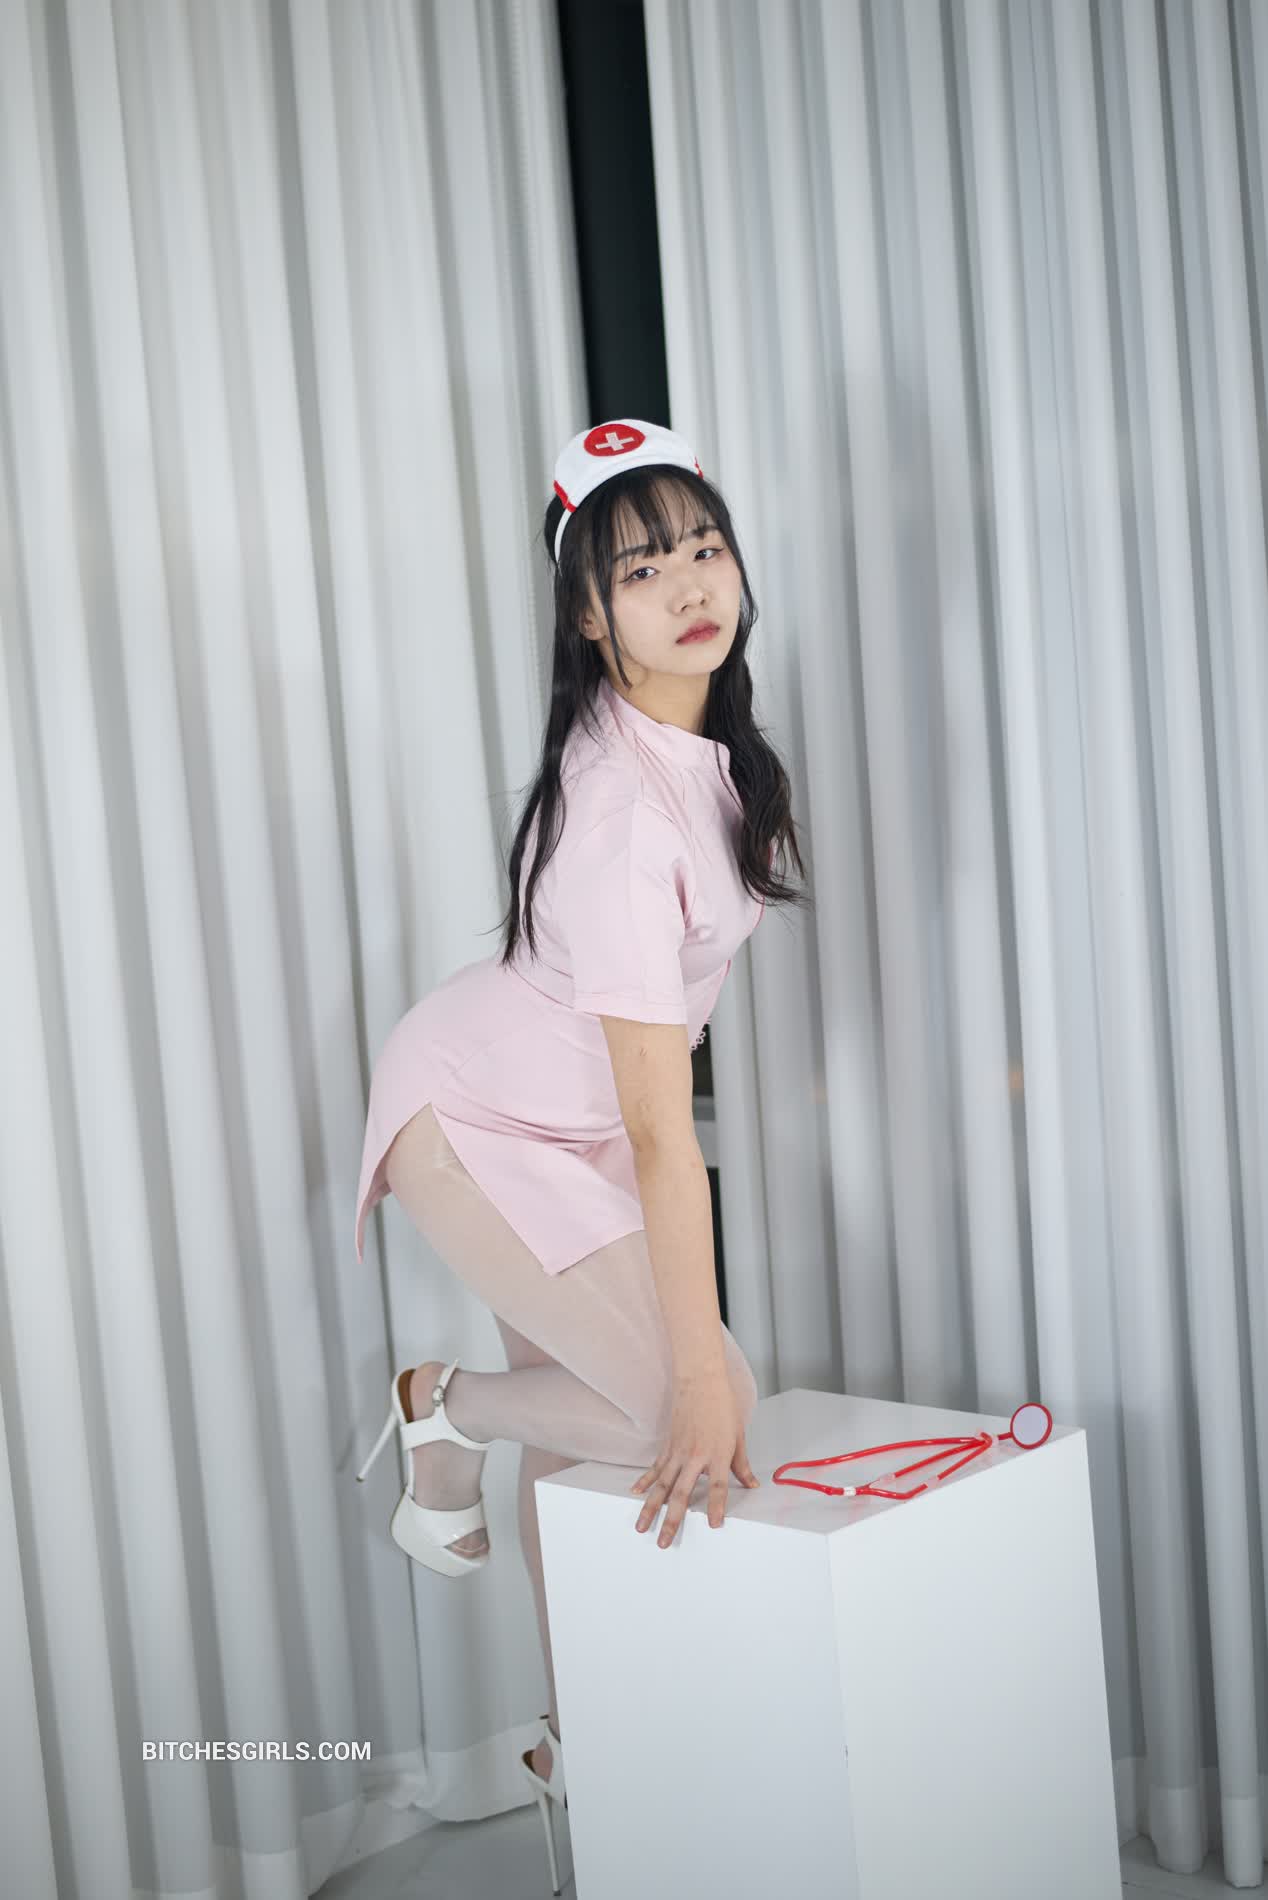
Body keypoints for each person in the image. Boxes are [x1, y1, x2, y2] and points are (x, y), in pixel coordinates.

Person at [353, 419, 810, 1817]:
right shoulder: (621, 814)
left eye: (703, 546)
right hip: (478, 1122)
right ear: (589, 617)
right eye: (641, 569)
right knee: (699, 1400)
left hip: (576, 1114)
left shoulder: (703, 752)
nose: (690, 585)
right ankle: (441, 1406)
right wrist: (697, 1369)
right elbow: (671, 1139)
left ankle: (576, 1747)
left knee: (588, 1447)